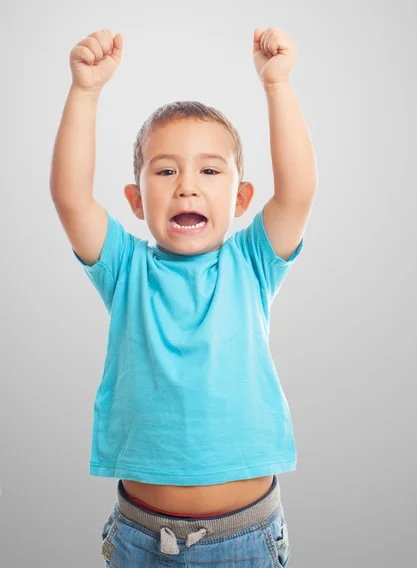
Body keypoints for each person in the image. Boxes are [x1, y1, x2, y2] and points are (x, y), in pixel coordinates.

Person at [50, 26, 316, 567]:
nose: (186, 186)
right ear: (135, 199)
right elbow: (71, 197)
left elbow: (298, 191)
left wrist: (277, 85)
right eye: (166, 170)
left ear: (241, 198)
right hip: (141, 536)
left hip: (247, 536)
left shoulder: (251, 263)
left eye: (209, 171)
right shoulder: (126, 269)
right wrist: (85, 92)